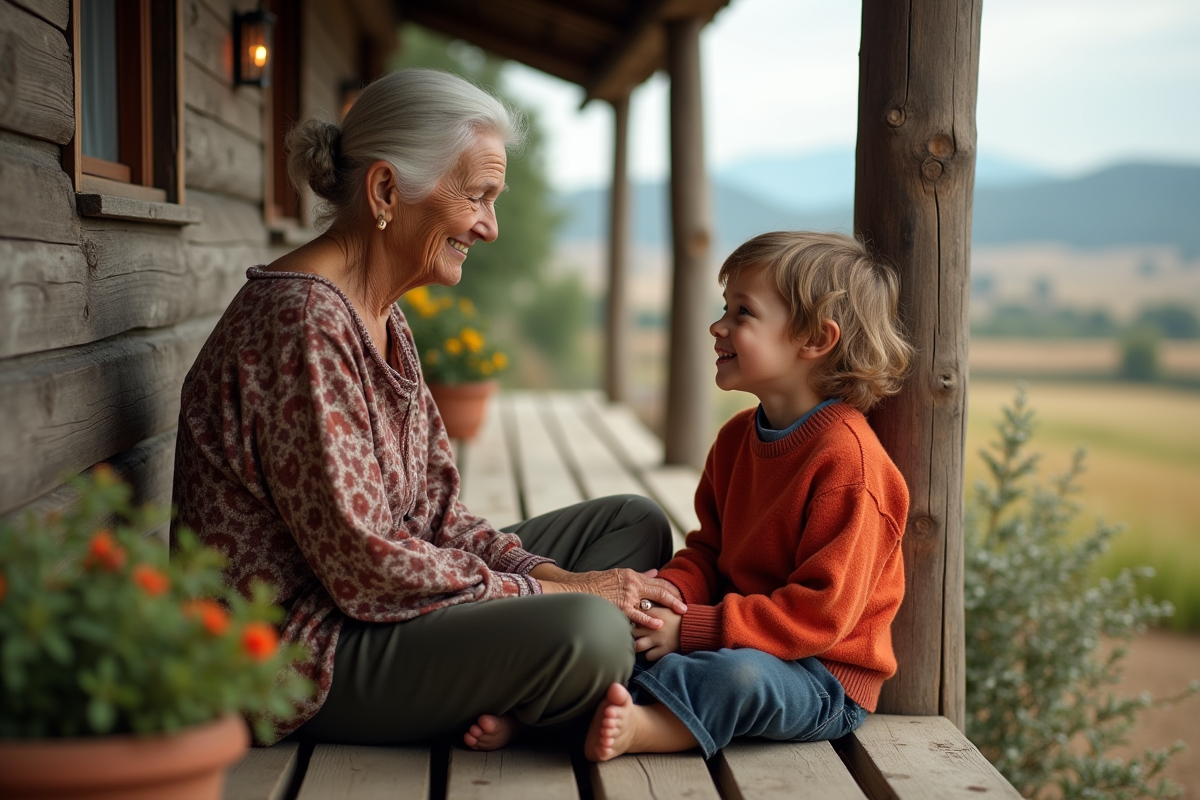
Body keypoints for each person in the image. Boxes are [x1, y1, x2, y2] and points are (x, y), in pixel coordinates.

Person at [170, 68, 685, 750]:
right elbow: (369, 566)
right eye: (477, 196)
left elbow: (434, 512)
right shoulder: (301, 320)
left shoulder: (379, 311)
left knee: (634, 523)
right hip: (302, 647)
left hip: (376, 606)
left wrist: (551, 574)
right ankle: (551, 693)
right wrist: (563, 597)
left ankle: (529, 696)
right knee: (588, 633)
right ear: (387, 190)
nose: (490, 226)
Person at [584, 231, 914, 761]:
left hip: (817, 678)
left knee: (739, 677)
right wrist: (667, 596)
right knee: (624, 636)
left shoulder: (850, 464)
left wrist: (693, 628)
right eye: (724, 307)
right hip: (726, 634)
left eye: (743, 313)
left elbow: (819, 616)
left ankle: (649, 729)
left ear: (814, 340)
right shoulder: (737, 438)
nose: (718, 327)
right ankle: (549, 718)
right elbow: (709, 553)